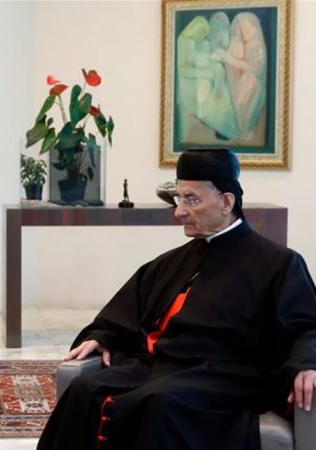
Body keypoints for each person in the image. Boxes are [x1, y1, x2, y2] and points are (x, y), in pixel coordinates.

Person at [36, 148, 316, 450]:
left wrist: (306, 363)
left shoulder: (279, 264)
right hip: (157, 367)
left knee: (160, 402)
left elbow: (306, 327)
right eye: (178, 199)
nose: (178, 212)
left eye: (191, 200)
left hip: (222, 376)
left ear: (226, 202)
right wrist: (103, 336)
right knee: (84, 389)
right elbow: (125, 313)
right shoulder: (172, 262)